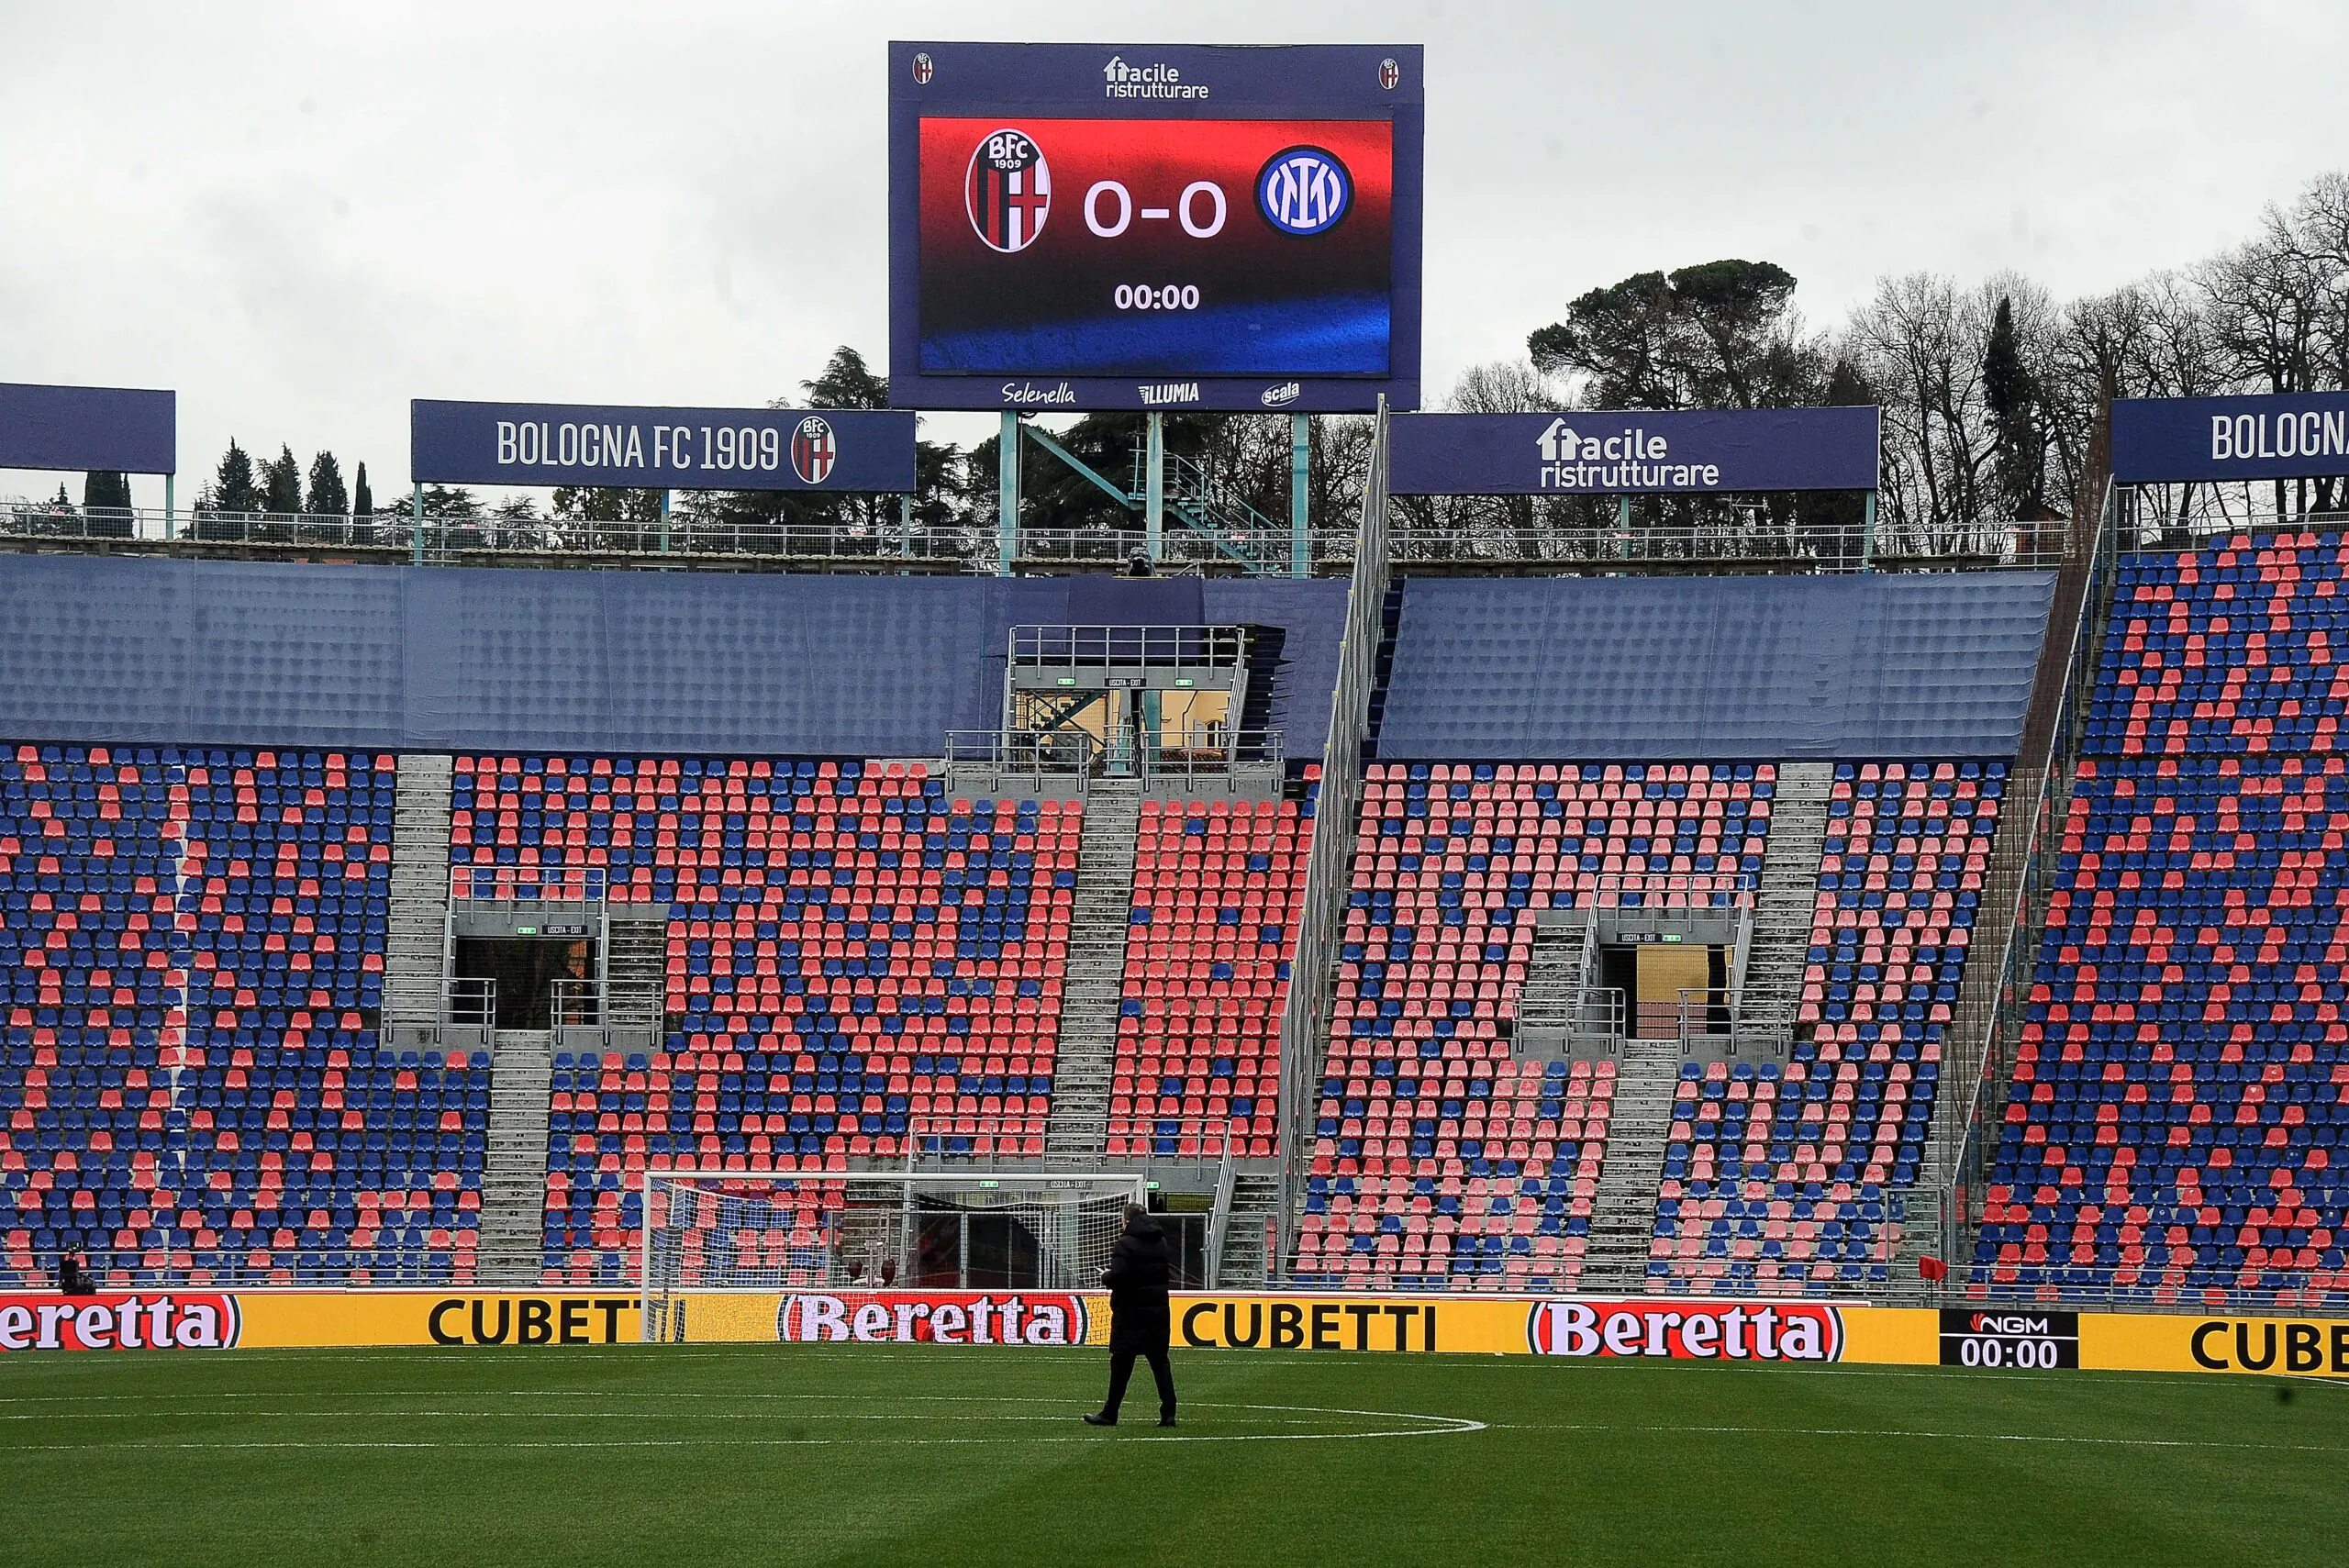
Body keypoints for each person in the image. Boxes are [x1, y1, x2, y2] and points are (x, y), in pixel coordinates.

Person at [1085, 1204, 1176, 1429]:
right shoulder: (1160, 1241)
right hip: (1157, 1311)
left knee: (1121, 1364)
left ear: (1127, 1221)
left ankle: (1110, 1413)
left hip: (1131, 1313)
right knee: (1160, 1362)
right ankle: (1169, 1413)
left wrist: (1106, 1277)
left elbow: (1120, 1276)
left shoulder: (1125, 1244)